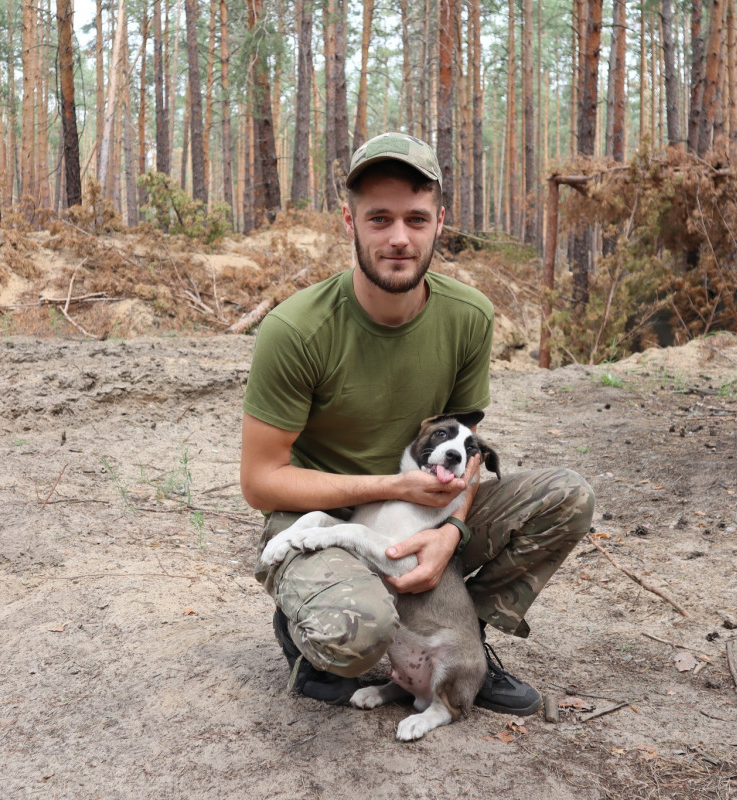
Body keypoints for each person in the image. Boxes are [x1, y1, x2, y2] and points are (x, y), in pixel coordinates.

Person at [240, 132, 594, 716]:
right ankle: (313, 638)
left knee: (566, 498)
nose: (399, 238)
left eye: (415, 218)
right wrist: (393, 487)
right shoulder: (296, 330)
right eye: (379, 218)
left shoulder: (469, 317)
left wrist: (449, 532)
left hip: (426, 504)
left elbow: (468, 452)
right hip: (321, 512)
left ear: (439, 223)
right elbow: (260, 482)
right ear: (349, 222)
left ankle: (459, 642)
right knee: (354, 634)